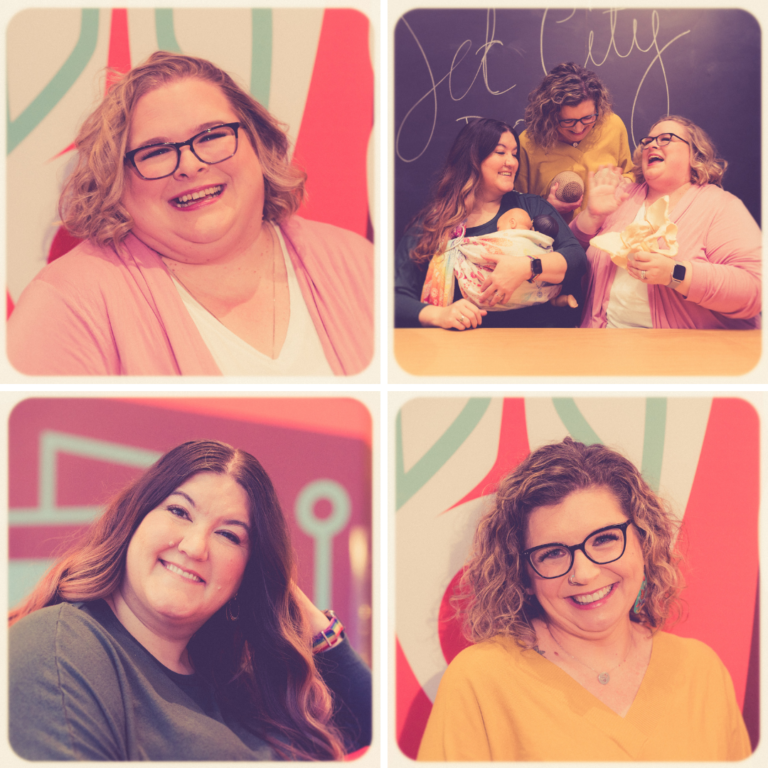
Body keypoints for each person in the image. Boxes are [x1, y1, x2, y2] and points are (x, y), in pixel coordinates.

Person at [7, 52, 373, 376]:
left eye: (212, 135)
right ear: (116, 180)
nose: (190, 164)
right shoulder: (67, 304)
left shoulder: (357, 261)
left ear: (258, 144)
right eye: (155, 152)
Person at [9, 440, 371, 760]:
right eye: (179, 512)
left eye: (229, 535)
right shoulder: (59, 649)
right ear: (133, 520)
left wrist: (287, 601)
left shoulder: (240, 687)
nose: (195, 547)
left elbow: (372, 729)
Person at [418, 437, 751, 761]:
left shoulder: (702, 671)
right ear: (523, 574)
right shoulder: (478, 681)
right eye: (553, 553)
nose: (584, 573)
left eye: (604, 539)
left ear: (643, 539)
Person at [395, 118, 587, 329]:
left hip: (534, 345)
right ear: (472, 158)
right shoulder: (434, 224)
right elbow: (393, 297)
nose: (512, 162)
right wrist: (439, 315)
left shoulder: (531, 207)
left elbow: (577, 260)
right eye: (500, 152)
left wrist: (528, 266)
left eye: (514, 154)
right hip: (463, 351)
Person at [572, 116, 761, 328]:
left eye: (666, 139)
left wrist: (674, 273)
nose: (652, 144)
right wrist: (592, 216)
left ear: (694, 153)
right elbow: (569, 258)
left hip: (683, 354)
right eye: (648, 141)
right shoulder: (621, 197)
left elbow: (754, 290)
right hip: (604, 344)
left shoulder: (720, 206)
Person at [515, 62, 633, 222]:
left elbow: (631, 174)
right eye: (568, 121)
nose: (578, 128)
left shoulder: (613, 125)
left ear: (599, 107)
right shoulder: (527, 143)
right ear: (549, 115)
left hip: (608, 236)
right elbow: (517, 206)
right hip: (553, 242)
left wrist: (623, 181)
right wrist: (547, 207)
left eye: (588, 118)